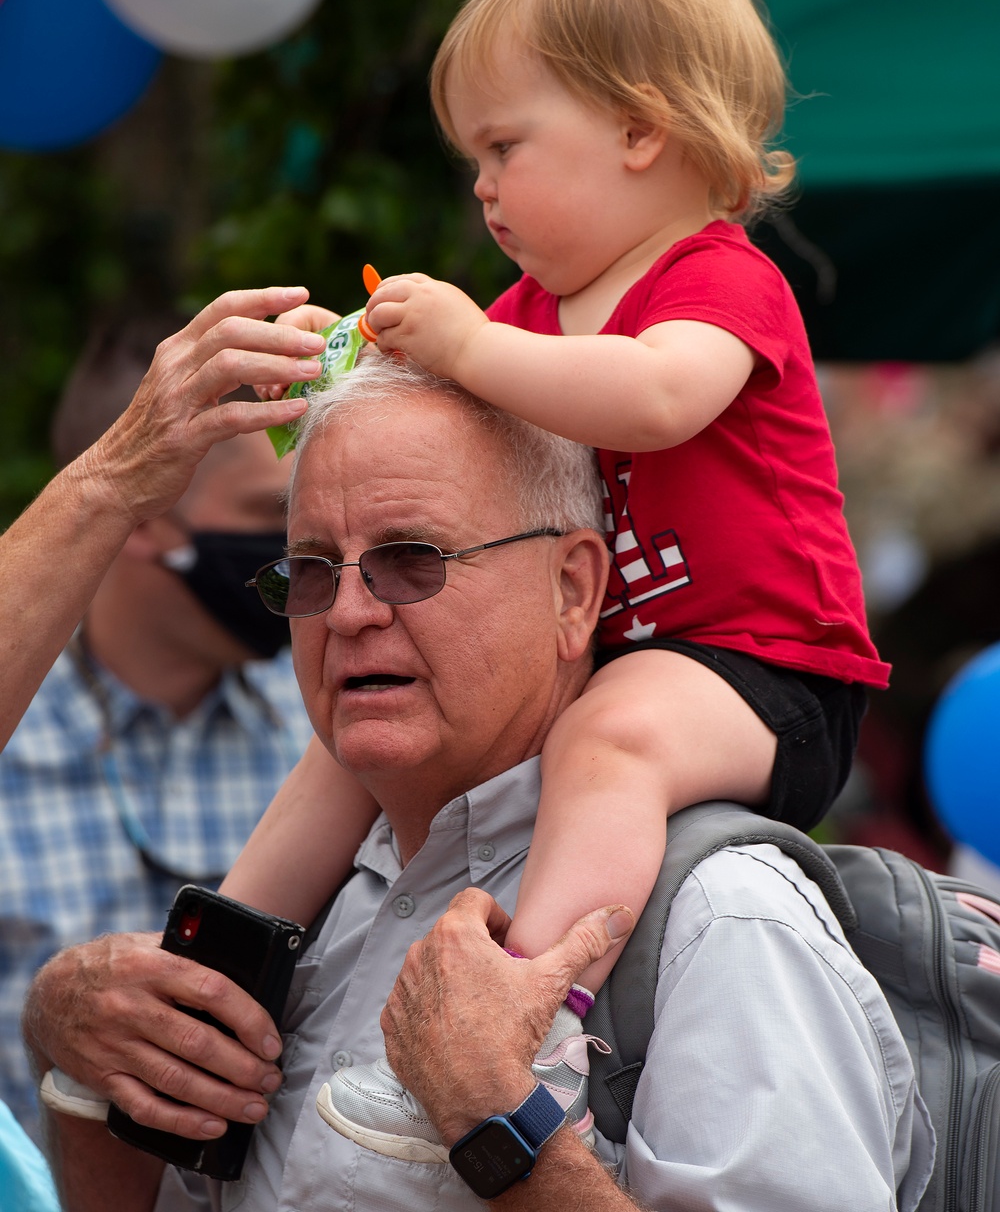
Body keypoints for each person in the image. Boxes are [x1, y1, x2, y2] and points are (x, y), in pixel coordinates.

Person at [213, 0, 891, 1151]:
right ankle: (214, 986)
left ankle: (520, 1019)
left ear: (641, 129)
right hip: (630, 651)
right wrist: (350, 371)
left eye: (504, 145)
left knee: (607, 744)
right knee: (346, 743)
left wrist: (470, 344)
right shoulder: (531, 311)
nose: (479, 185)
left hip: (767, 670)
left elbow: (657, 395)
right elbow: (455, 438)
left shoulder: (715, 278)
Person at [23, 354, 933, 1212]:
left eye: (413, 559)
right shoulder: (316, 903)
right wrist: (76, 1056)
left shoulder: (719, 920)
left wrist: (500, 1120)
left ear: (573, 591)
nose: (345, 612)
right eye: (309, 571)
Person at [0, 299, 328, 1137]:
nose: (294, 555)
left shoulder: (326, 724)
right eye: (267, 519)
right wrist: (111, 476)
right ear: (144, 516)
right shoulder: (19, 727)